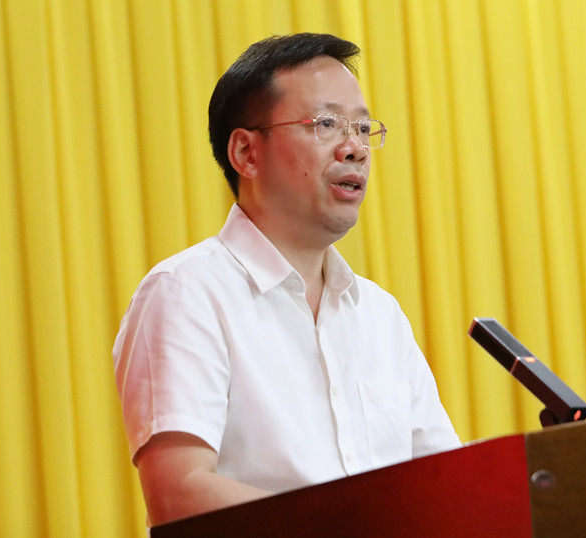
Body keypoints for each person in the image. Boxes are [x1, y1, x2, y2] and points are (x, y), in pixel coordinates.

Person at [112, 33, 460, 525]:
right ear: (246, 153)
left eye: (363, 128)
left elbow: (445, 485)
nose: (355, 149)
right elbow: (180, 495)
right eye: (326, 124)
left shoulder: (379, 314)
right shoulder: (186, 293)